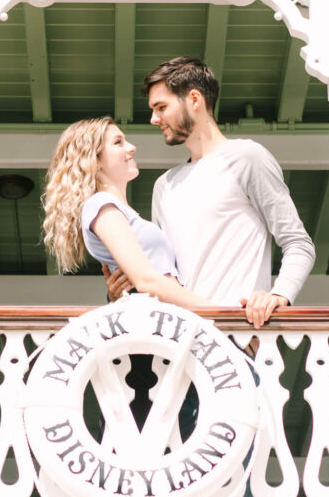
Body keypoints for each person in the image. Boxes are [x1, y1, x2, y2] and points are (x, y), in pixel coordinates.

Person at [104, 57, 315, 327]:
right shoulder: (164, 185)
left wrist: (277, 295)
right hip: (173, 343)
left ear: (194, 99)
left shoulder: (247, 157)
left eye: (161, 107)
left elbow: (298, 243)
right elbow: (163, 276)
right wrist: (120, 294)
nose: (154, 119)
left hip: (233, 340)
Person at [42, 116, 214, 311]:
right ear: (94, 159)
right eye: (118, 142)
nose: (132, 147)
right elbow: (146, 281)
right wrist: (217, 312)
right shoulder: (101, 205)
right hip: (157, 320)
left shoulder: (118, 211)